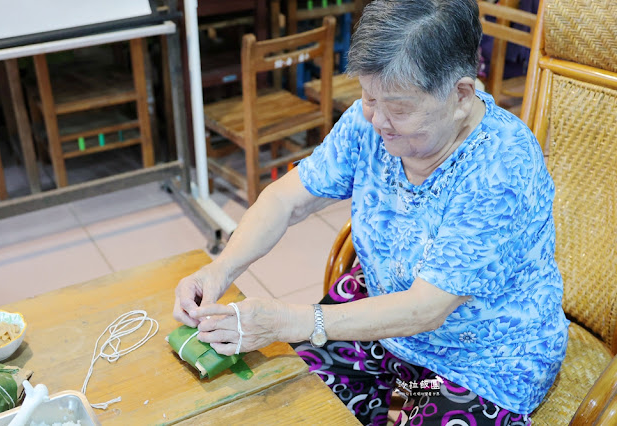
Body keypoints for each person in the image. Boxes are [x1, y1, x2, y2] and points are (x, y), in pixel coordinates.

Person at [173, 0, 569, 424]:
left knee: (392, 404)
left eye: (397, 107)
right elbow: (284, 200)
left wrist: (293, 321)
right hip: (386, 326)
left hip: (472, 361)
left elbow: (426, 308)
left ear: (461, 95)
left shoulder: (501, 165)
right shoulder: (370, 123)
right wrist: (221, 269)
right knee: (280, 400)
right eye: (367, 96)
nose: (377, 120)